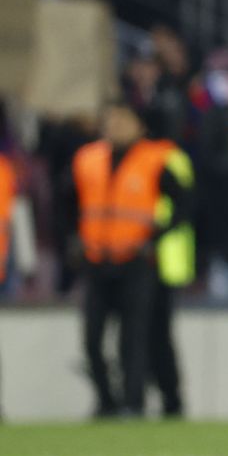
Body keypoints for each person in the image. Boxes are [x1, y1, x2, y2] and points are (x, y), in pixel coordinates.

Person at [70, 100, 194, 418]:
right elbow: (67, 203)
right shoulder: (87, 159)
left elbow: (184, 204)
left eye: (122, 120)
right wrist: (73, 239)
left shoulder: (156, 159)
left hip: (137, 262)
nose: (115, 126)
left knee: (133, 337)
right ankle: (107, 400)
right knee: (92, 339)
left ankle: (132, 403)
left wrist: (153, 239)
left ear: (140, 125)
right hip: (97, 260)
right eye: (110, 120)